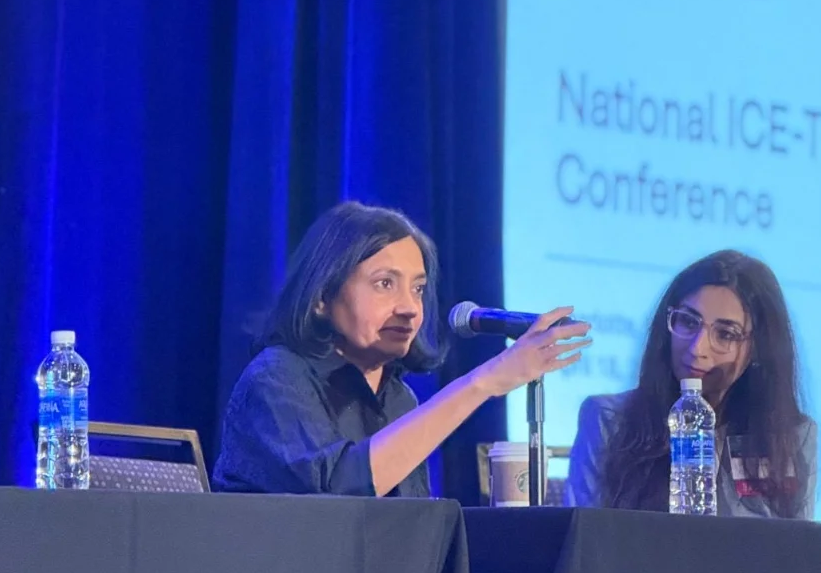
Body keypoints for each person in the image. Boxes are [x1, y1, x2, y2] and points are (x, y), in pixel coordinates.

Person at [213, 201, 591, 496]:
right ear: (322, 297)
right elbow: (337, 492)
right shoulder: (277, 378)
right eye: (385, 284)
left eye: (418, 288)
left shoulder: (398, 398)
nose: (410, 308)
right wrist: (484, 382)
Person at [567, 250, 817, 518]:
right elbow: (587, 537)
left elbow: (796, 542)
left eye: (725, 334)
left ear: (758, 348)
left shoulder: (791, 435)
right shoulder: (609, 419)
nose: (697, 348)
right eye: (688, 322)